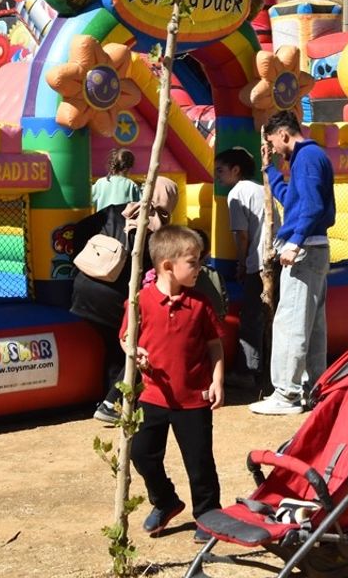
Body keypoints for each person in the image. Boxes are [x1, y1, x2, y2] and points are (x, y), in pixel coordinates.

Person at [125, 226, 223, 544]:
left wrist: (217, 380)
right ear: (168, 265)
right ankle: (165, 501)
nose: (199, 268)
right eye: (193, 262)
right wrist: (134, 350)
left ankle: (208, 514)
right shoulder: (140, 301)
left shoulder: (201, 303)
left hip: (193, 399)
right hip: (152, 396)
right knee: (141, 454)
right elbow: (127, 337)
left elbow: (214, 345)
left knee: (199, 462)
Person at [249, 110, 335, 416]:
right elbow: (293, 200)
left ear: (284, 135)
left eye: (273, 143)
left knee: (291, 322)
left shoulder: (307, 158)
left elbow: (311, 206)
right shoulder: (307, 158)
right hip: (313, 247)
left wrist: (295, 241)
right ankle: (313, 387)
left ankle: (287, 392)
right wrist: (269, 170)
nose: (274, 149)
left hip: (305, 249)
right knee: (312, 324)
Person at [72, 176, 178, 424]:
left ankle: (111, 400)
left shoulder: (116, 210)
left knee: (114, 348)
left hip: (82, 290)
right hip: (115, 299)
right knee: (144, 343)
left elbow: (80, 230)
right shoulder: (160, 232)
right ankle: (113, 403)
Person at [217, 147, 281, 389]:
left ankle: (248, 371)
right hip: (275, 256)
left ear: (236, 170)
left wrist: (242, 263)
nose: (217, 175)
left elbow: (241, 235)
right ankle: (269, 368)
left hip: (259, 261)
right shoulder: (259, 188)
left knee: (251, 316)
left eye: (221, 170)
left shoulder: (237, 193)